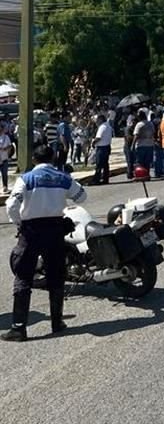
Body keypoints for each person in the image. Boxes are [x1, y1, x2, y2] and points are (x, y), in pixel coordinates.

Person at [3, 145, 87, 341]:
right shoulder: (63, 177)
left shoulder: (26, 178)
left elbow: (11, 205)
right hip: (56, 230)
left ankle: (18, 328)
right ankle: (57, 323)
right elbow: (82, 196)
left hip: (31, 231)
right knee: (56, 276)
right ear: (53, 158)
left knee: (23, 277)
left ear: (34, 160)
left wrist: (19, 223)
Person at [91, 114, 112, 185]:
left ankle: (96, 180)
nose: (96, 122)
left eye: (97, 120)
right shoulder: (108, 126)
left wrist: (93, 143)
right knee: (105, 164)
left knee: (99, 164)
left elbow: (98, 137)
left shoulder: (102, 127)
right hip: (107, 146)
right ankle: (105, 179)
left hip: (101, 148)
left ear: (100, 119)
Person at [0, 125, 11, 194]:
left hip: (4, 158)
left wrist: (6, 149)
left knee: (4, 174)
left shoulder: (6, 137)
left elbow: (10, 146)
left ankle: (5, 187)